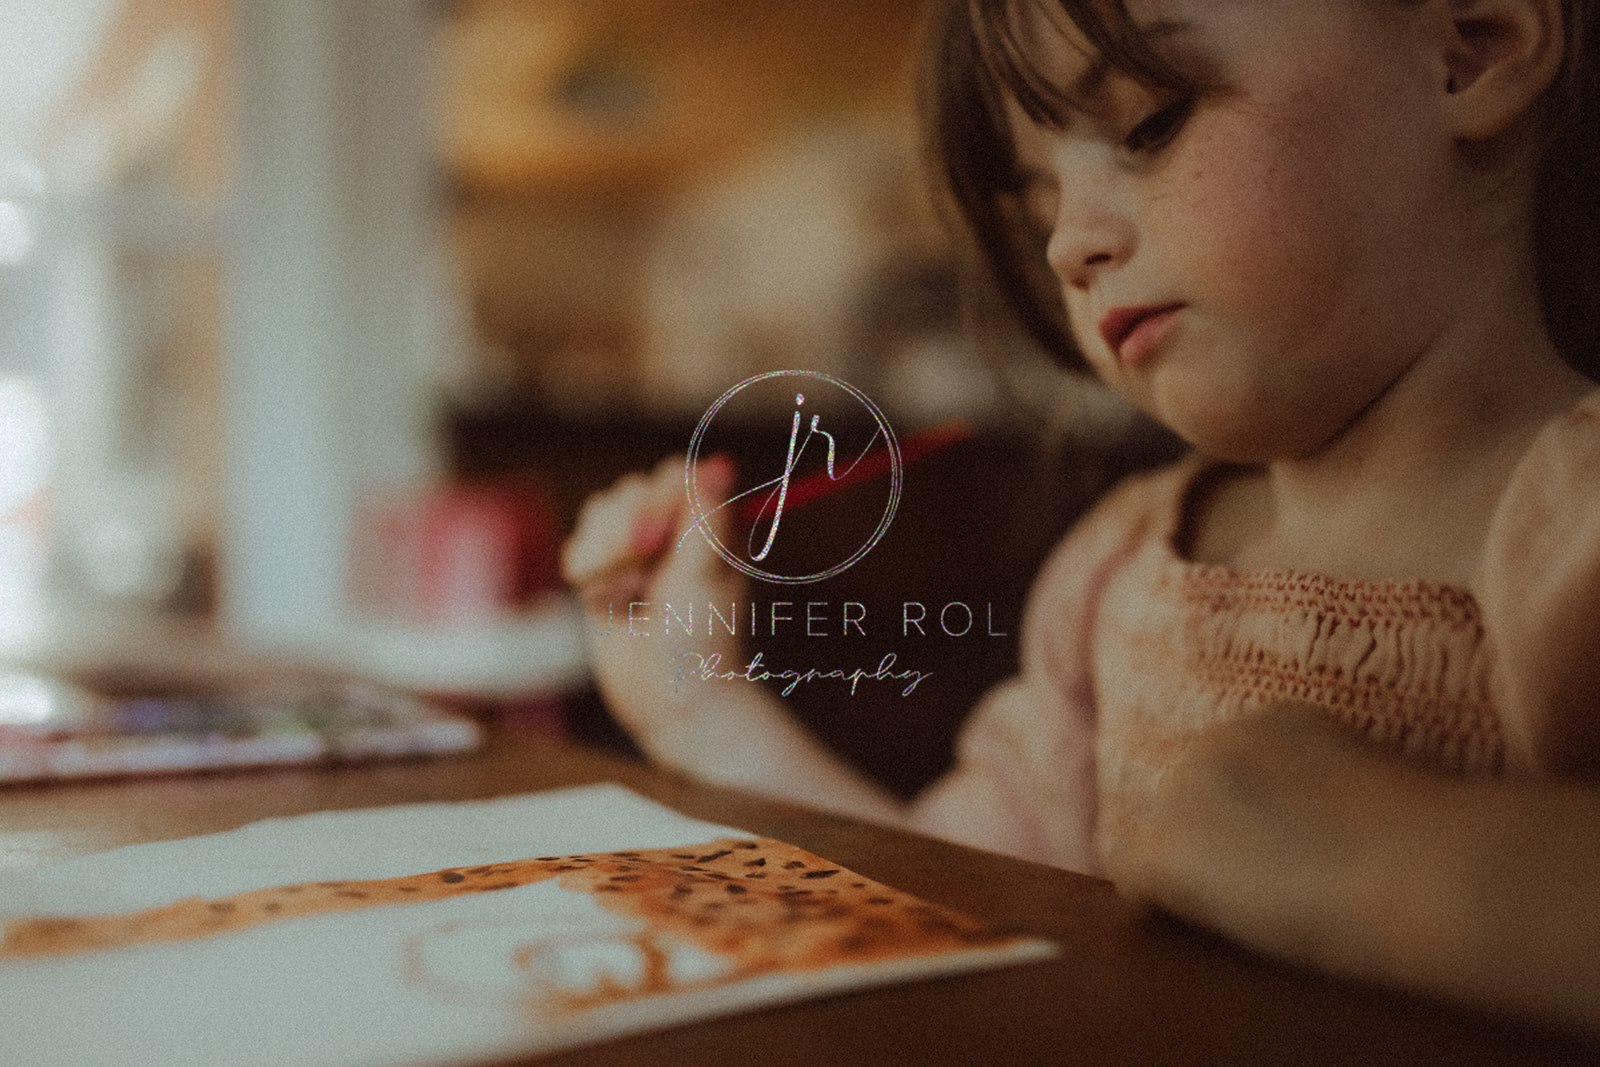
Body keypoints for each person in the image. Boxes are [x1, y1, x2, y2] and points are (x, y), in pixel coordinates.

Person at [563, 0, 1600, 886]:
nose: (1068, 244)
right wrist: (702, 707)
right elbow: (959, 893)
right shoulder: (1111, 578)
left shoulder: (1577, 536)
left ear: (1471, 45)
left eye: (1150, 122)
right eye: (1039, 200)